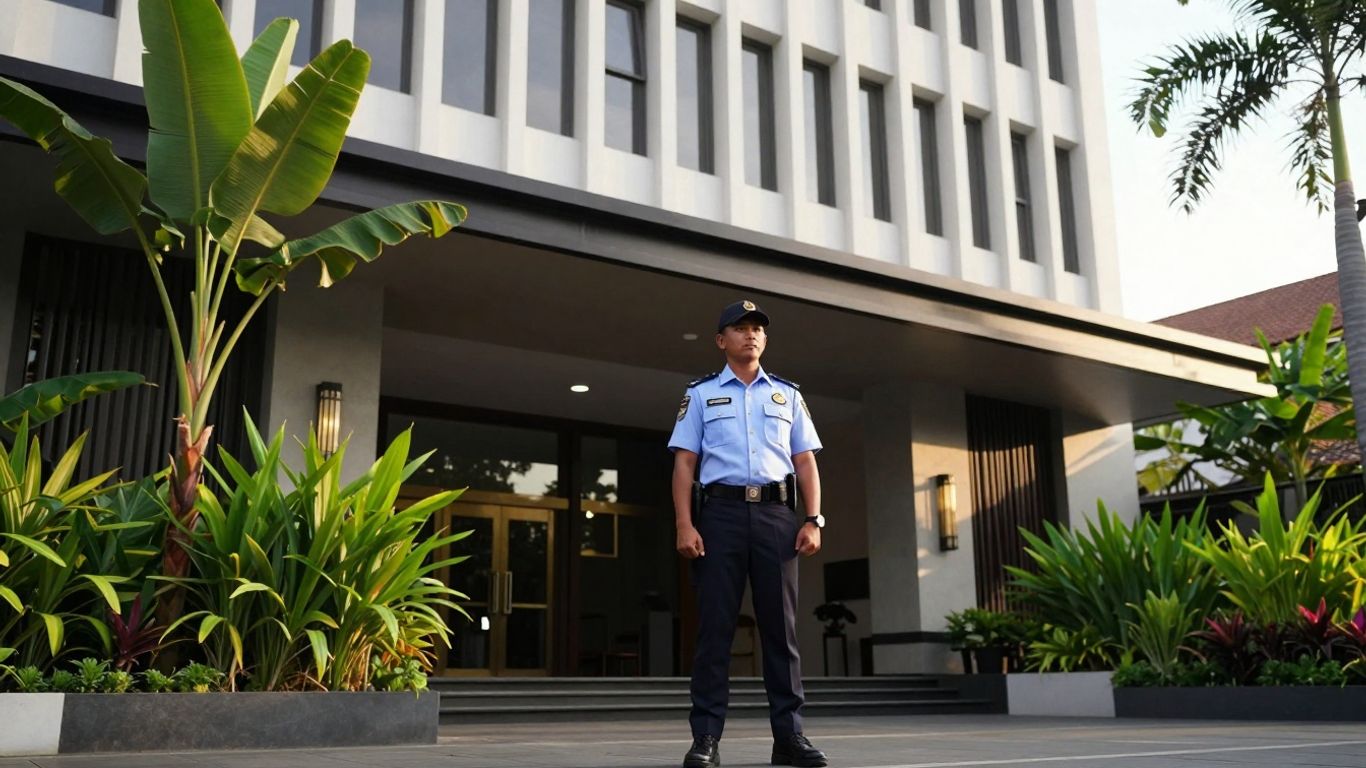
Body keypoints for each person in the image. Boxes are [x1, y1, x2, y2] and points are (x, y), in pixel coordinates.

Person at [668, 300, 828, 768]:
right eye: (740, 328)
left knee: (781, 632)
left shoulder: (787, 395)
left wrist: (813, 519)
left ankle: (789, 738)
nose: (750, 335)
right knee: (715, 631)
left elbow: (805, 462)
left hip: (778, 518)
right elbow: (684, 463)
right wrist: (684, 522)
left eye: (757, 328)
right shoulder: (699, 394)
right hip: (719, 516)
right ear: (722, 340)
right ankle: (706, 739)